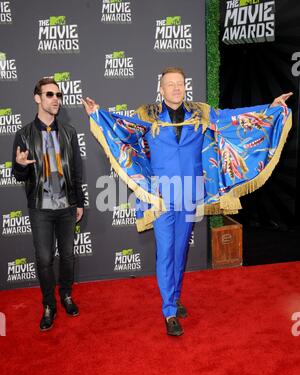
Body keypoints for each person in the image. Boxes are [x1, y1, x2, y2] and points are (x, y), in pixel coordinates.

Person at [82, 67, 292, 336]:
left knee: (180, 250)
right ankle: (169, 310)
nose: (176, 88)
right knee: (166, 249)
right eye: (170, 84)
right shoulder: (147, 115)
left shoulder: (200, 113)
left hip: (190, 193)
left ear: (185, 86)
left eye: (179, 83)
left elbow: (235, 118)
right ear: (161, 89)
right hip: (160, 195)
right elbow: (121, 127)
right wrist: (98, 114)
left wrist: (271, 108)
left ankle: (175, 297)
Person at [12, 77, 85, 332]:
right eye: (50, 94)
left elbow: (76, 170)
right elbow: (18, 175)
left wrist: (78, 202)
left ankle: (65, 295)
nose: (56, 99)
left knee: (67, 256)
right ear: (38, 98)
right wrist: (20, 166)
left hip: (66, 205)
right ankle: (48, 305)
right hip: (40, 207)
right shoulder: (23, 134)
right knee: (44, 258)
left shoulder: (69, 132)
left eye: (58, 95)